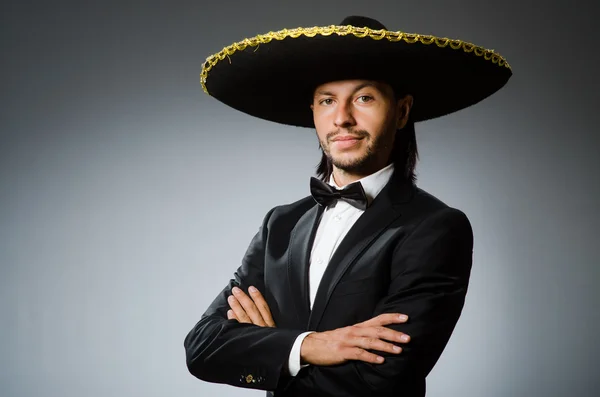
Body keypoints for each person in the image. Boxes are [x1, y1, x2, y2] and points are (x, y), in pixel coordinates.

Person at [183, 15, 512, 397]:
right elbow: (202, 347)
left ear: (402, 111)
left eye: (364, 98)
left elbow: (381, 378)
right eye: (327, 101)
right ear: (314, 112)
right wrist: (308, 346)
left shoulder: (436, 227)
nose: (342, 118)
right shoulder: (282, 223)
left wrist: (269, 348)